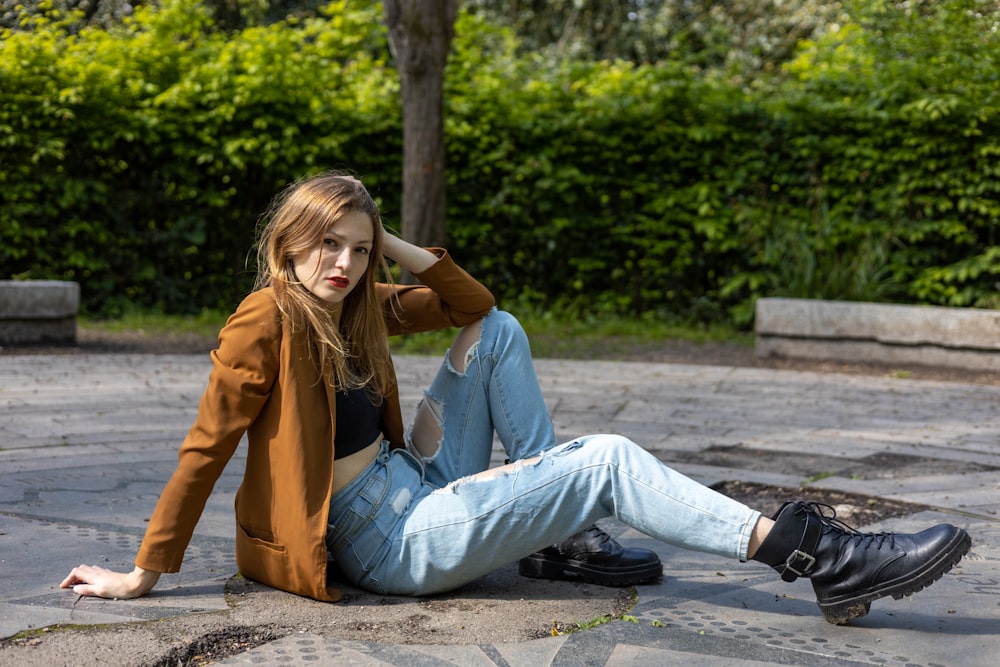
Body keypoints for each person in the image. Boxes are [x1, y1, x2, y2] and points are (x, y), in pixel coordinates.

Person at [61, 172, 971, 626]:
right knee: (609, 458)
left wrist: (392, 242)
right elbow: (204, 446)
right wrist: (145, 570)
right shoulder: (264, 321)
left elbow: (474, 307)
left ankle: (563, 530)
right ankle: (823, 558)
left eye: (355, 246)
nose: (341, 263)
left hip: (414, 474)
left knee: (499, 335)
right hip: (386, 538)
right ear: (287, 246)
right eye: (325, 246)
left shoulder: (361, 300)